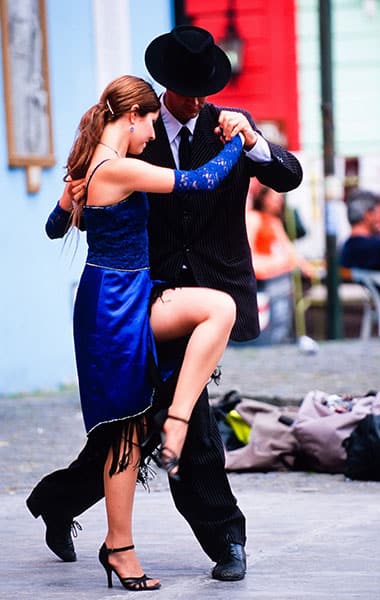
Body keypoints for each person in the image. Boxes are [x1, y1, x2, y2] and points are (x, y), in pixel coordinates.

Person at [26, 25, 303, 582]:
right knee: (156, 425)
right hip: (136, 300)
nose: (195, 101)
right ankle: (223, 537)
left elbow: (288, 175)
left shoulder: (229, 125)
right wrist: (71, 200)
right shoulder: (136, 136)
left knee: (141, 424)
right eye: (184, 91)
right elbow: (192, 184)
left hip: (187, 296)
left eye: (203, 90)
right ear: (160, 91)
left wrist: (248, 140)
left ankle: (66, 504)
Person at [39, 73, 246, 591]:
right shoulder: (120, 167)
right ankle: (120, 549)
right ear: (132, 116)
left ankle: (175, 421)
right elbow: (199, 181)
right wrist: (240, 140)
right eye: (151, 120)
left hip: (133, 293)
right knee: (125, 436)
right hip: (112, 305)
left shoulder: (97, 167)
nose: (154, 133)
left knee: (219, 308)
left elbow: (52, 227)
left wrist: (68, 202)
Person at [246, 185, 315, 280]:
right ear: (263, 198)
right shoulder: (254, 218)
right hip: (259, 265)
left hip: (273, 267)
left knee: (289, 261)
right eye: (274, 198)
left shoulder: (274, 222)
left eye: (280, 198)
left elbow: (289, 249)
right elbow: (249, 253)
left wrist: (305, 265)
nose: (278, 201)